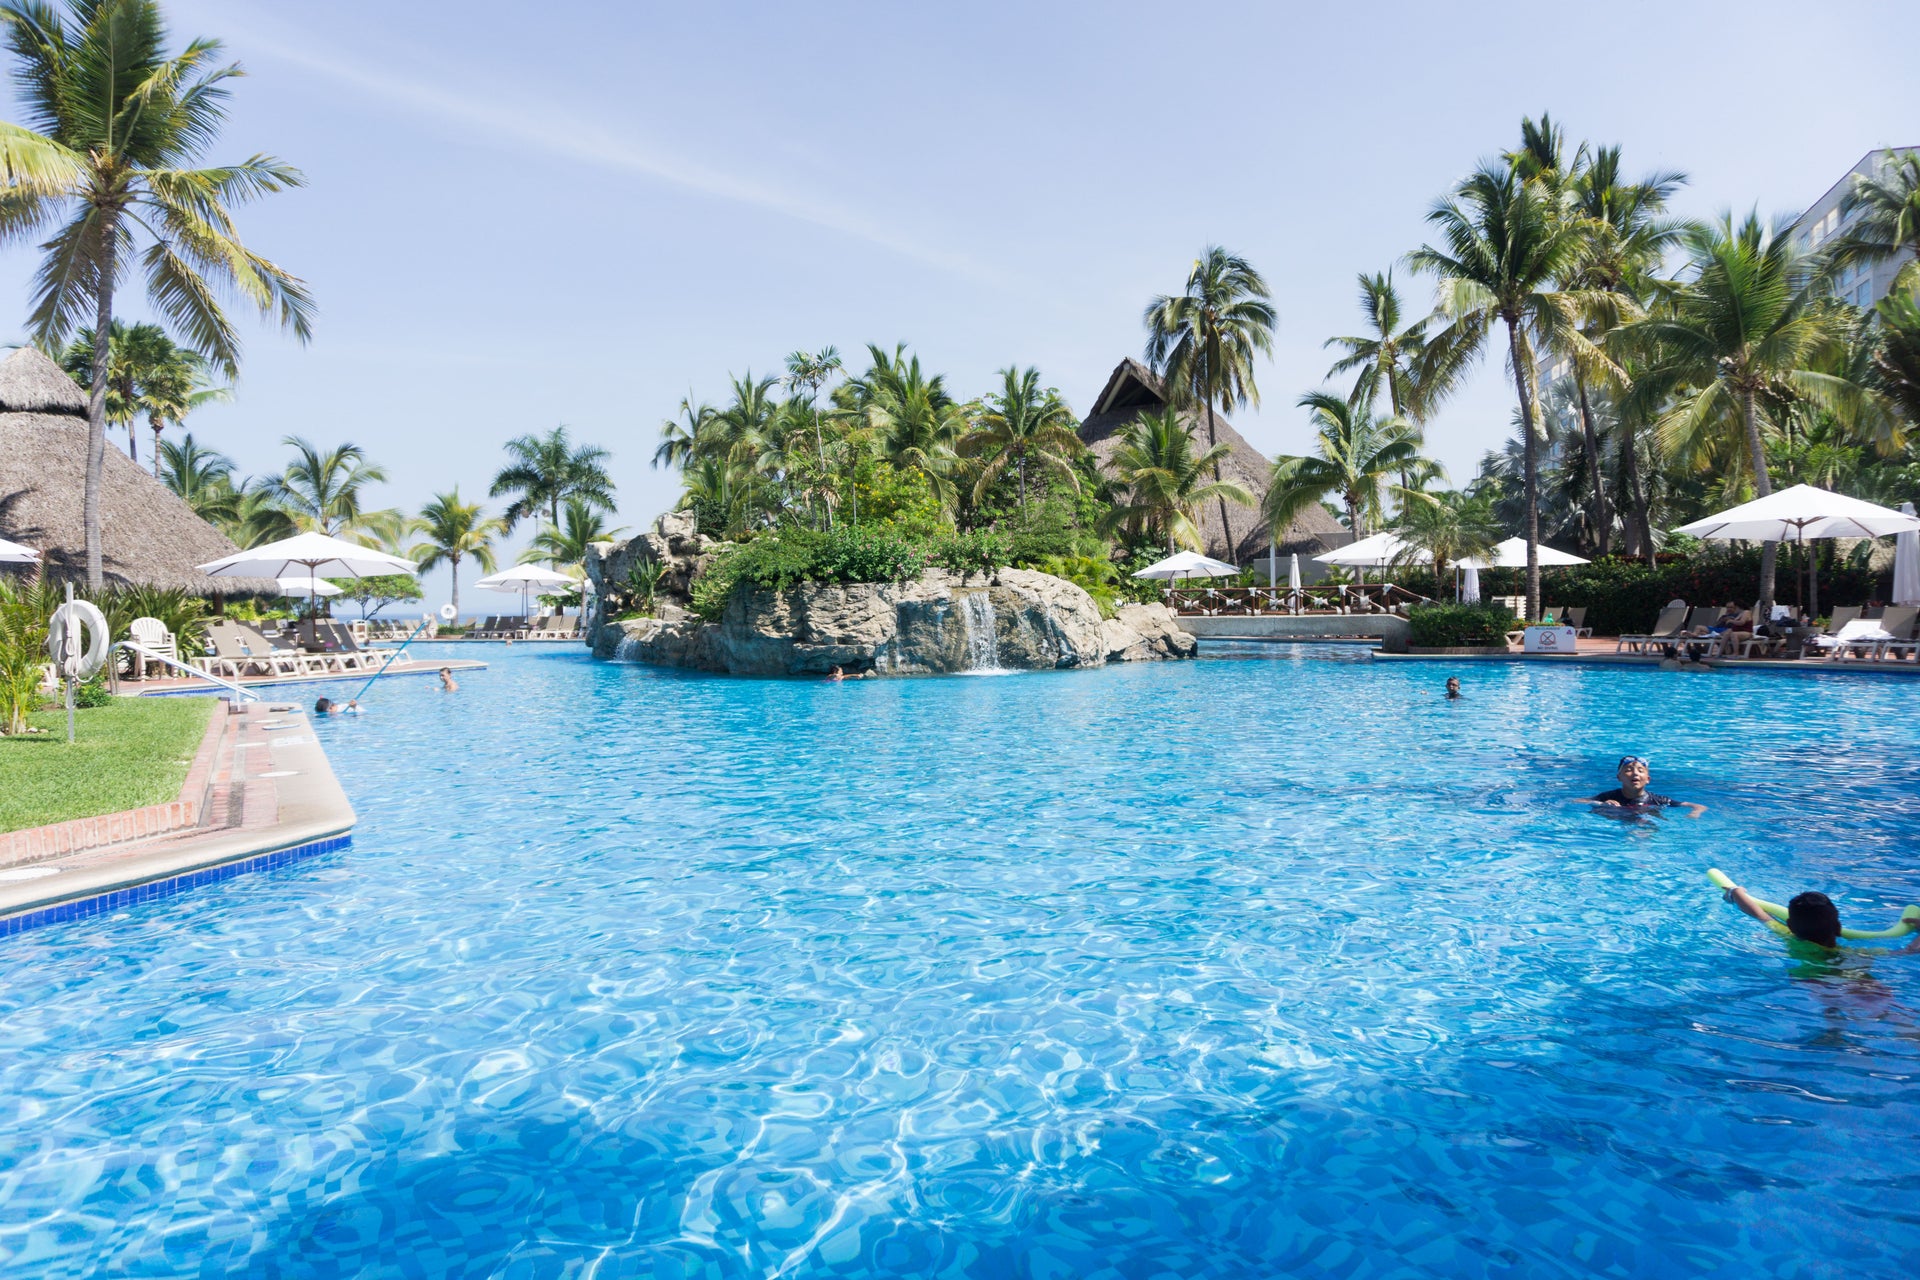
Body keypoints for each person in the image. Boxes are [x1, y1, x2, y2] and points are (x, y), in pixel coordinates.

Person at [1720, 879, 1920, 956]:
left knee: (1830, 1007)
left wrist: (1736, 892)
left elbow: (1757, 912)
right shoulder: (1853, 953)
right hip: (1854, 978)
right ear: (1839, 926)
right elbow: (1908, 951)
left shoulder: (1787, 935)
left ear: (1790, 924)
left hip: (1812, 981)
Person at [1582, 756, 1706, 817]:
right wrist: (1601, 804)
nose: (1635, 773)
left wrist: (1695, 812)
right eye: (1629, 770)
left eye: (1640, 770)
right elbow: (1577, 801)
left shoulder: (1658, 800)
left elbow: (1699, 806)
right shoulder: (1608, 796)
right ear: (1619, 777)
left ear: (1648, 779)